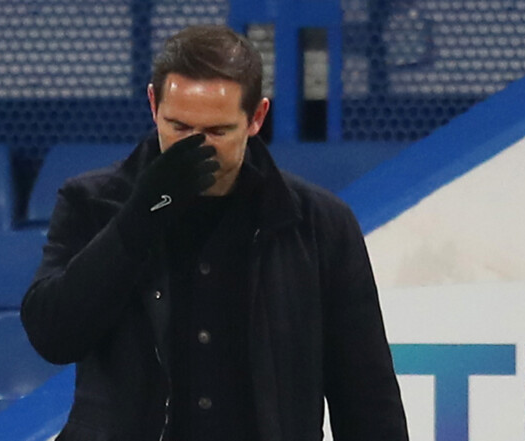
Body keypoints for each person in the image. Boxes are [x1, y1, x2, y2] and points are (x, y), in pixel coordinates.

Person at [21, 24, 408, 441]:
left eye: (217, 132)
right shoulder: (93, 203)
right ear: (153, 105)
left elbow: (367, 397)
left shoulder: (320, 224)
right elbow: (53, 336)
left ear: (256, 118)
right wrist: (138, 218)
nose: (196, 148)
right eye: (179, 127)